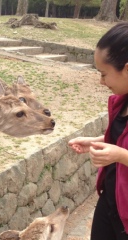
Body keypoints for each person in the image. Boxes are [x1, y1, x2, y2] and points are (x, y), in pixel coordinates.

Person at [68, 22, 128, 240]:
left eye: (104, 74)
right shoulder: (121, 102)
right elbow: (122, 139)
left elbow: (122, 149)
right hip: (112, 202)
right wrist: (95, 140)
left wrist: (120, 155)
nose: (101, 82)